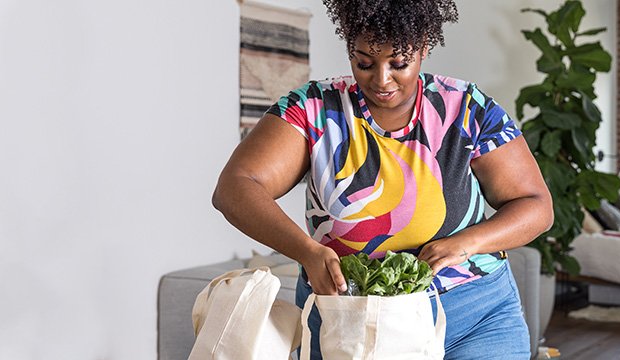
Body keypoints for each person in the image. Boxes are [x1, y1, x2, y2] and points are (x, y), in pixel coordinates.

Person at [211, 0, 553, 358]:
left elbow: (536, 206)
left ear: (423, 48)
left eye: (399, 63)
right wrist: (308, 252)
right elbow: (234, 187)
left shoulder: (467, 108)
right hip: (347, 322)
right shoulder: (313, 109)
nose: (381, 79)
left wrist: (465, 243)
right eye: (364, 62)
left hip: (471, 317)